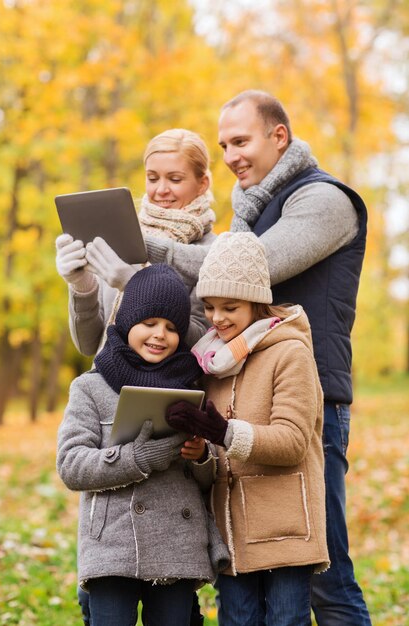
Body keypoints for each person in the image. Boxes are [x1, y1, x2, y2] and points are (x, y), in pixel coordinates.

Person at [143, 90, 371, 625]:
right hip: (240, 398)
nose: (230, 155)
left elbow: (248, 265)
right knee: (246, 564)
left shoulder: (325, 200)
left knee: (324, 573)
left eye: (241, 140)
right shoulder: (252, 212)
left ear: (279, 136)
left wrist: (147, 246)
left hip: (308, 402)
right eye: (223, 144)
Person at [164, 232, 329, 626]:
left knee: (287, 620)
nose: (217, 318)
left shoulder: (290, 353)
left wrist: (223, 433)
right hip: (231, 532)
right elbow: (216, 456)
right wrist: (202, 451)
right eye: (209, 307)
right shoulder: (212, 362)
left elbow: (291, 443)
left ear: (256, 302)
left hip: (285, 527)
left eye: (230, 307)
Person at [56, 263, 229, 626]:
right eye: (149, 323)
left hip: (177, 546)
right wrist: (136, 457)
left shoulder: (193, 385)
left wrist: (200, 458)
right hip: (112, 547)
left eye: (171, 328)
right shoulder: (90, 386)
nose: (159, 335)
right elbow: (71, 465)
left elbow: (207, 478)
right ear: (126, 321)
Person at [55, 128, 216, 356]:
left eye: (175, 179)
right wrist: (81, 285)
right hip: (105, 385)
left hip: (168, 388)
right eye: (152, 178)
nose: (161, 189)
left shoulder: (212, 251)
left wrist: (135, 287)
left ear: (203, 184)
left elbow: (201, 342)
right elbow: (89, 345)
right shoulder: (121, 239)